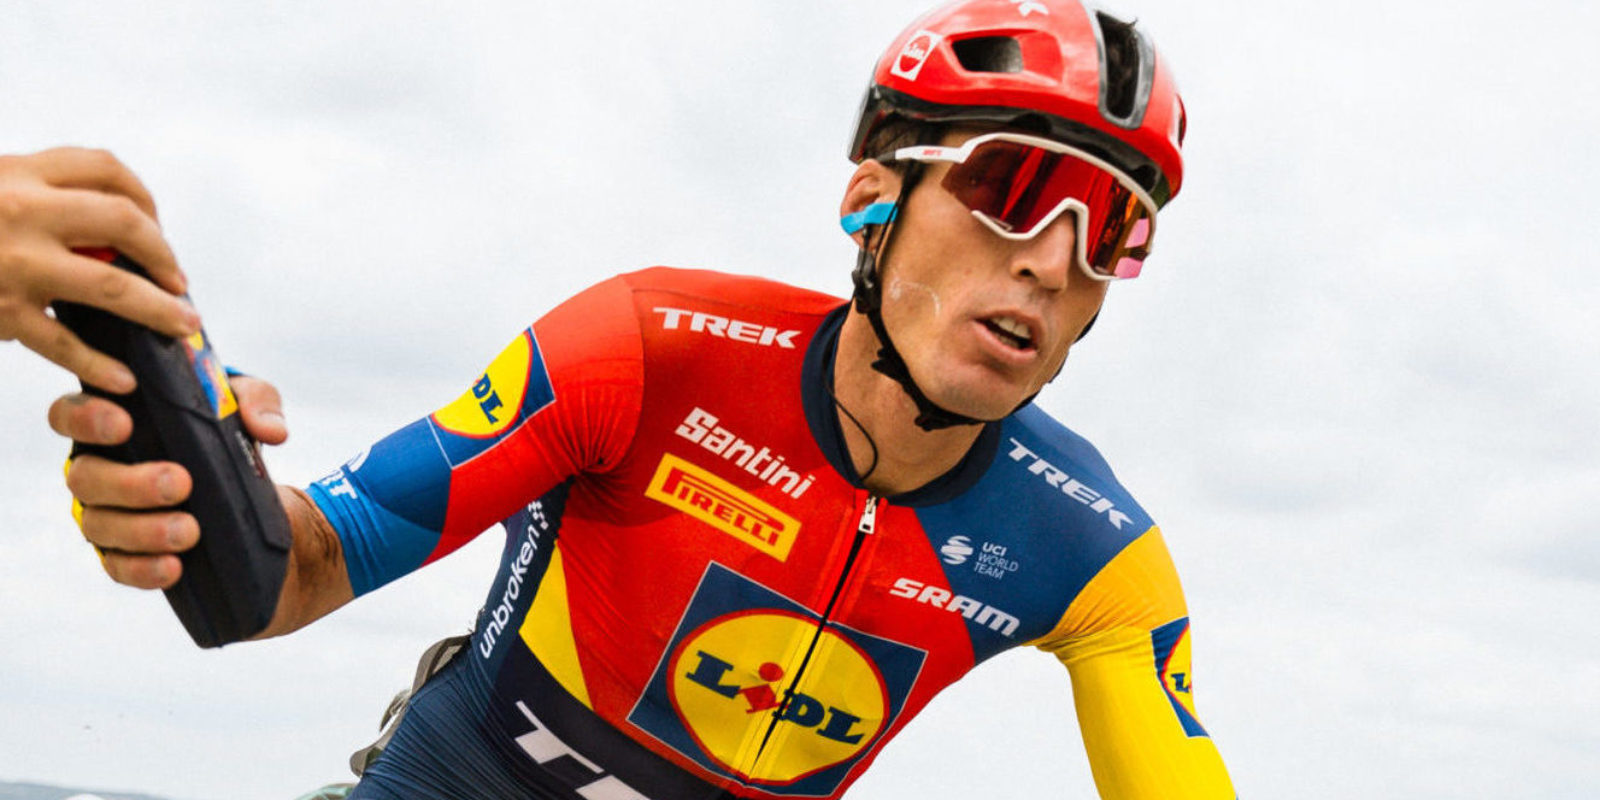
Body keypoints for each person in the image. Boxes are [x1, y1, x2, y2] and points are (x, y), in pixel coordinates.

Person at [17, 1, 1235, 797]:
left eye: (1110, 230)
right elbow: (288, 574)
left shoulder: (1092, 551)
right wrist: (184, 472)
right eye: (1011, 186)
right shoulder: (647, 350)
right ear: (872, 198)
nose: (1050, 261)